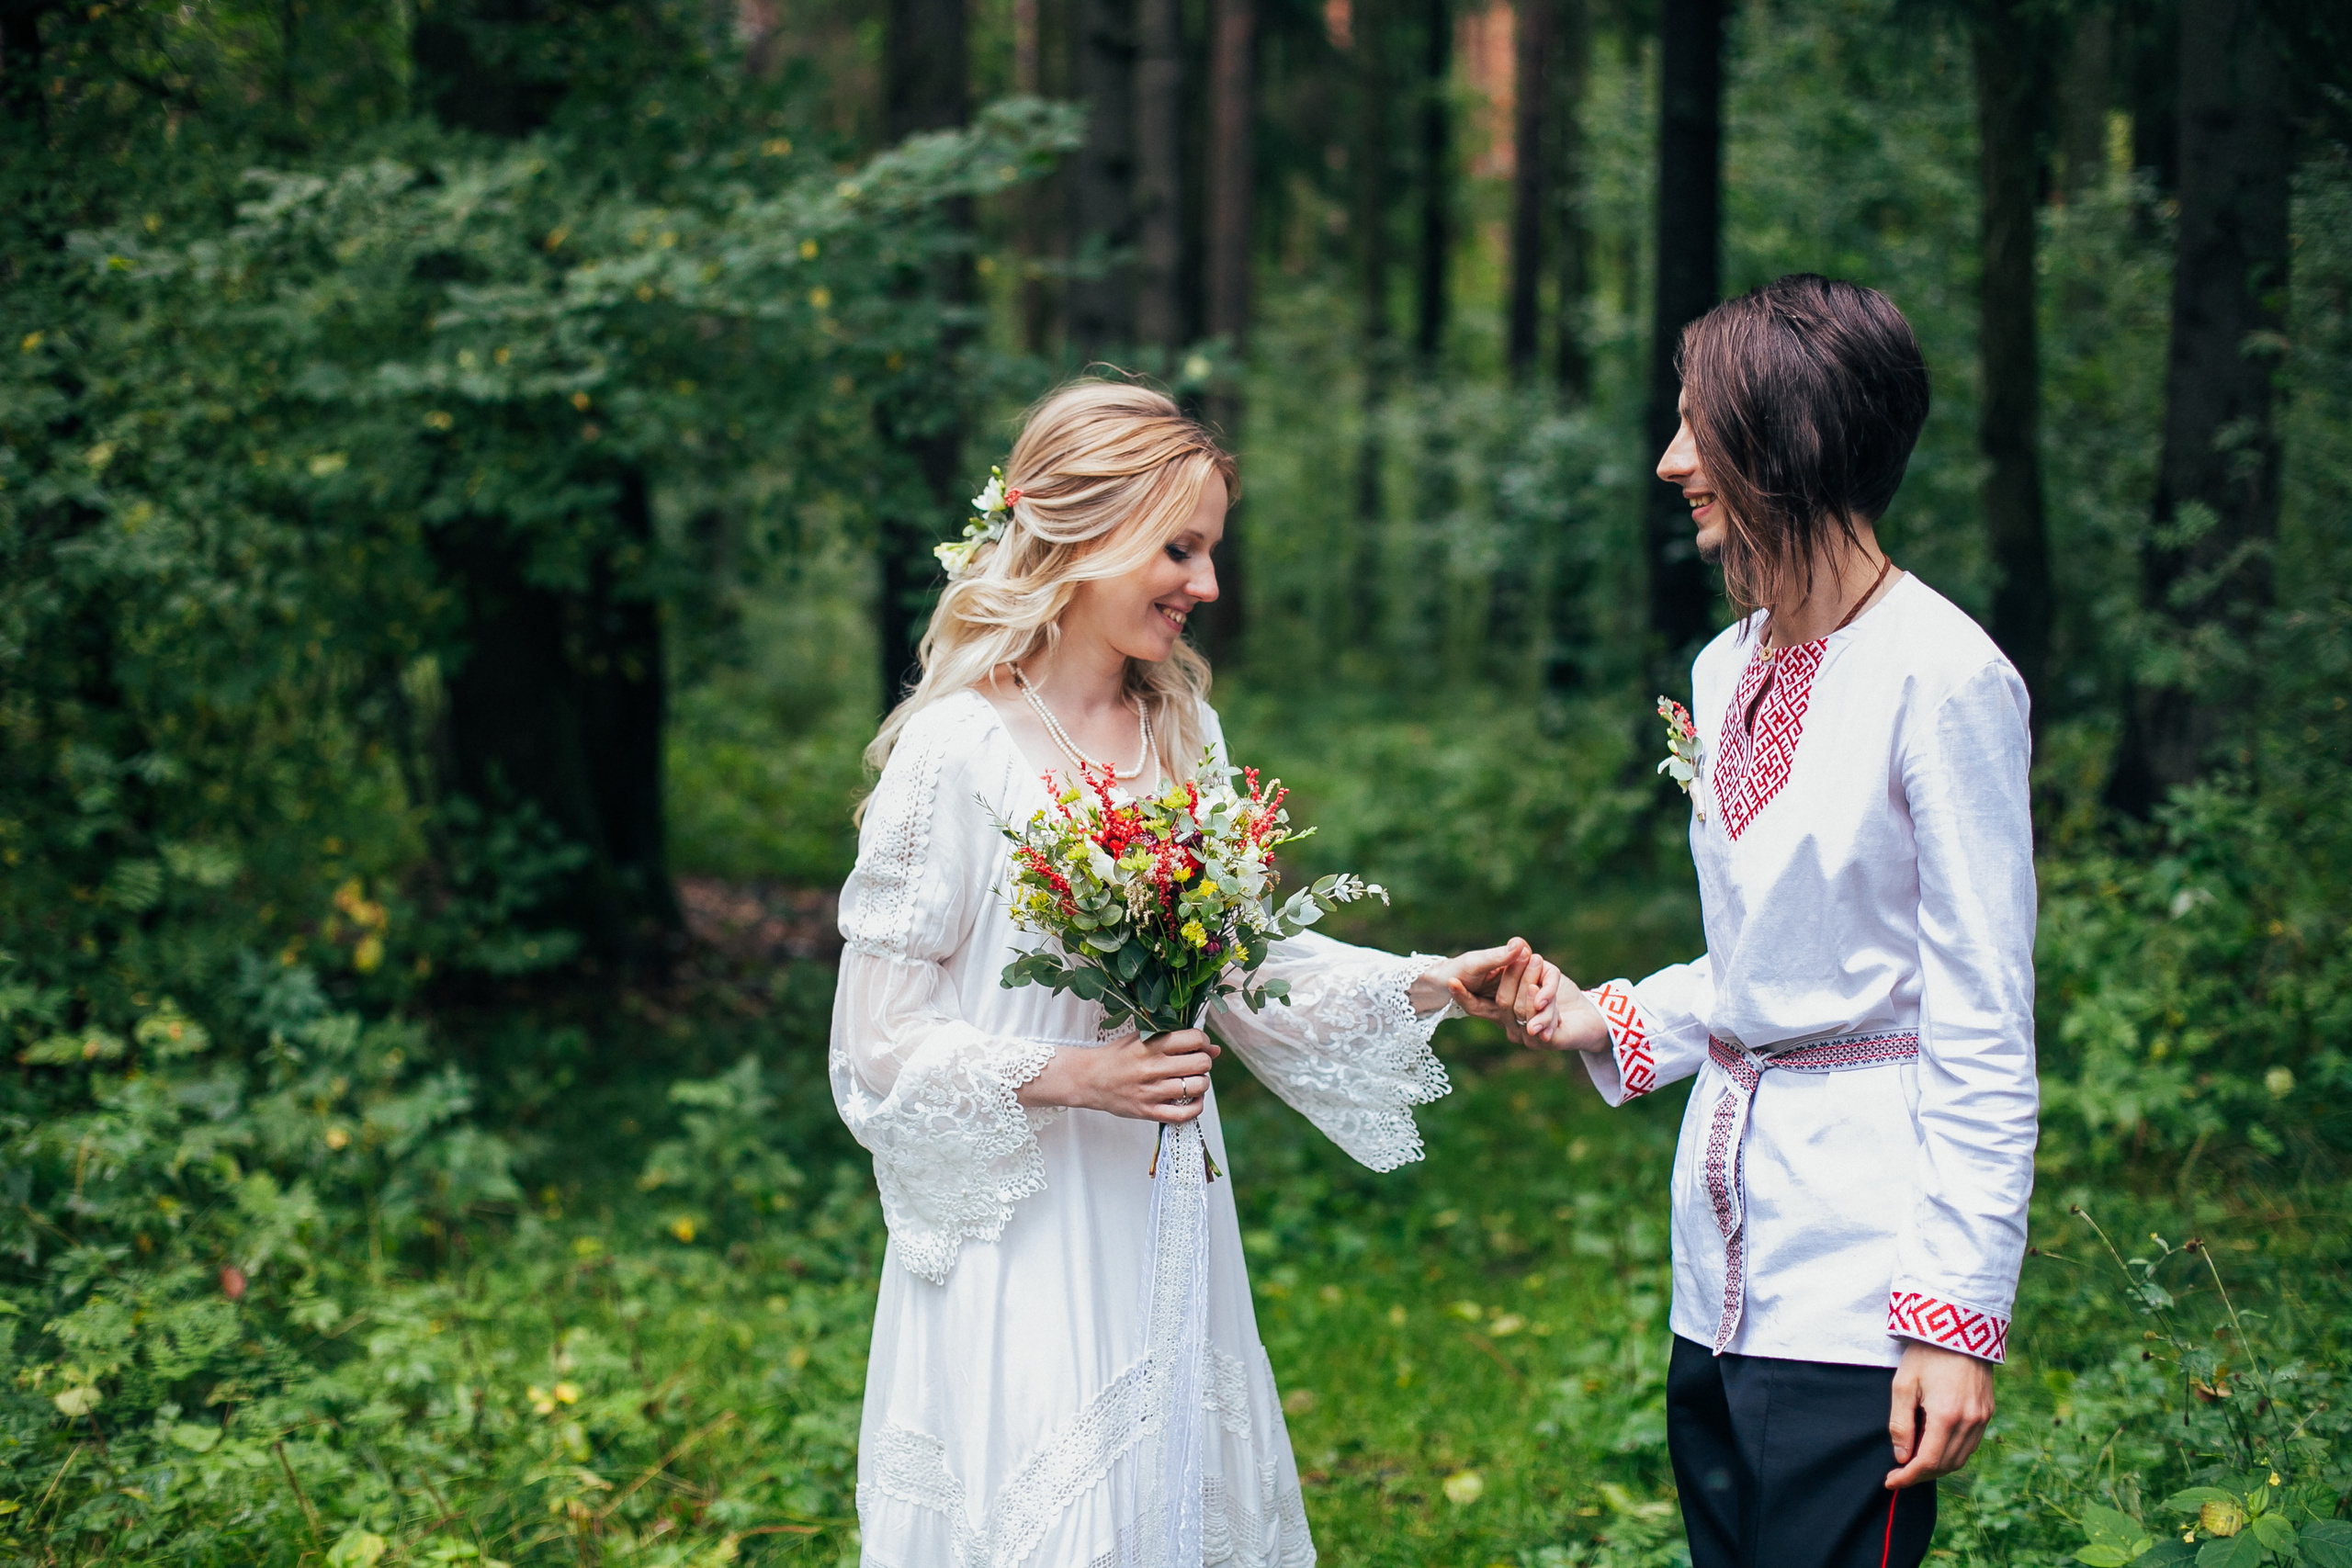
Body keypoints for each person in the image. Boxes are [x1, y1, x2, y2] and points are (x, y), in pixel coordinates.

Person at [831, 378, 1537, 1568]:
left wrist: (1431, 983)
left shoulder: (1183, 736)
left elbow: (1246, 972)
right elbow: (877, 1043)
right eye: (1183, 547)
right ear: (1086, 533)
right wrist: (1074, 1075)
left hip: (1165, 1199)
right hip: (1031, 1224)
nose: (1207, 586)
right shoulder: (955, 754)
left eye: (1211, 551)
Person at [1465, 276, 2039, 1568]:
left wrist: (1952, 1314)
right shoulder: (1728, 666)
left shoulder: (1944, 680)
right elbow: (1768, 964)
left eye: (1698, 428)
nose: (1671, 462)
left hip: (1862, 1275)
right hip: (1716, 1260)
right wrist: (1601, 1014)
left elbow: (1983, 1017)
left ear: (1797, 441)